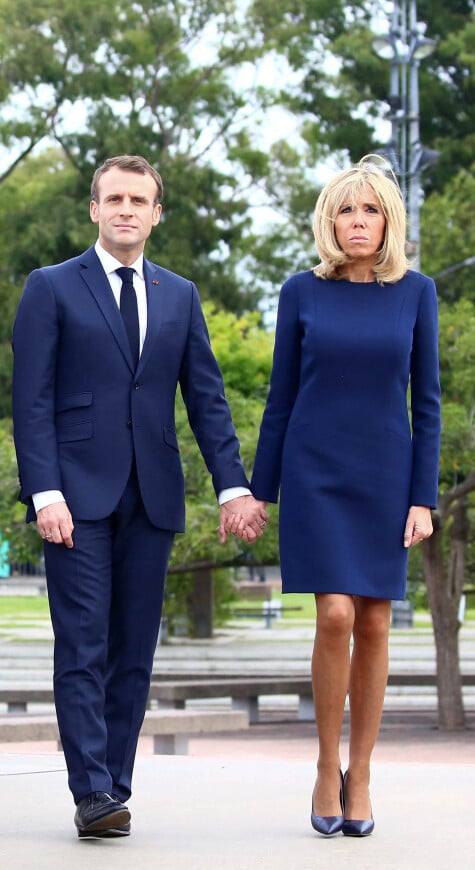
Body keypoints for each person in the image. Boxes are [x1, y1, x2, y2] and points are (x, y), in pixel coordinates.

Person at [11, 154, 267, 839]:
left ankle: (115, 786)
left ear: (156, 214)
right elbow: (30, 402)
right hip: (75, 500)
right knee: (83, 644)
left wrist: (233, 486)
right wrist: (44, 491)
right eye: (114, 198)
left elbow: (207, 400)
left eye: (139, 200)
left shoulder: (179, 294)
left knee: (133, 651)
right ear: (94, 209)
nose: (126, 209)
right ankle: (91, 791)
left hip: (152, 497)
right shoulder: (52, 287)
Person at [247, 156, 441, 837]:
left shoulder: (418, 292)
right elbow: (280, 397)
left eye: (370, 210)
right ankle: (325, 764)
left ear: (389, 221)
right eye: (346, 211)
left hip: (387, 473)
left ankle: (362, 774)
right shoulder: (302, 291)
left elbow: (430, 402)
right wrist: (258, 489)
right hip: (314, 471)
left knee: (377, 623)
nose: (358, 222)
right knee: (333, 614)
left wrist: (424, 497)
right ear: (330, 222)